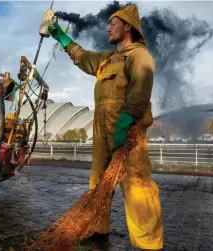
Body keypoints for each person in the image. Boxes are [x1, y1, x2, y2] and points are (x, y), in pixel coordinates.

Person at [48, 4, 164, 250]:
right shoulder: (106, 59)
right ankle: (97, 230)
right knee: (98, 181)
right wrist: (60, 36)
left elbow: (140, 92)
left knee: (137, 186)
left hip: (128, 132)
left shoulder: (139, 56)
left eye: (113, 23)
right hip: (102, 132)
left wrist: (125, 122)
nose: (107, 27)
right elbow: (81, 56)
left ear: (127, 27)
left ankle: (149, 244)